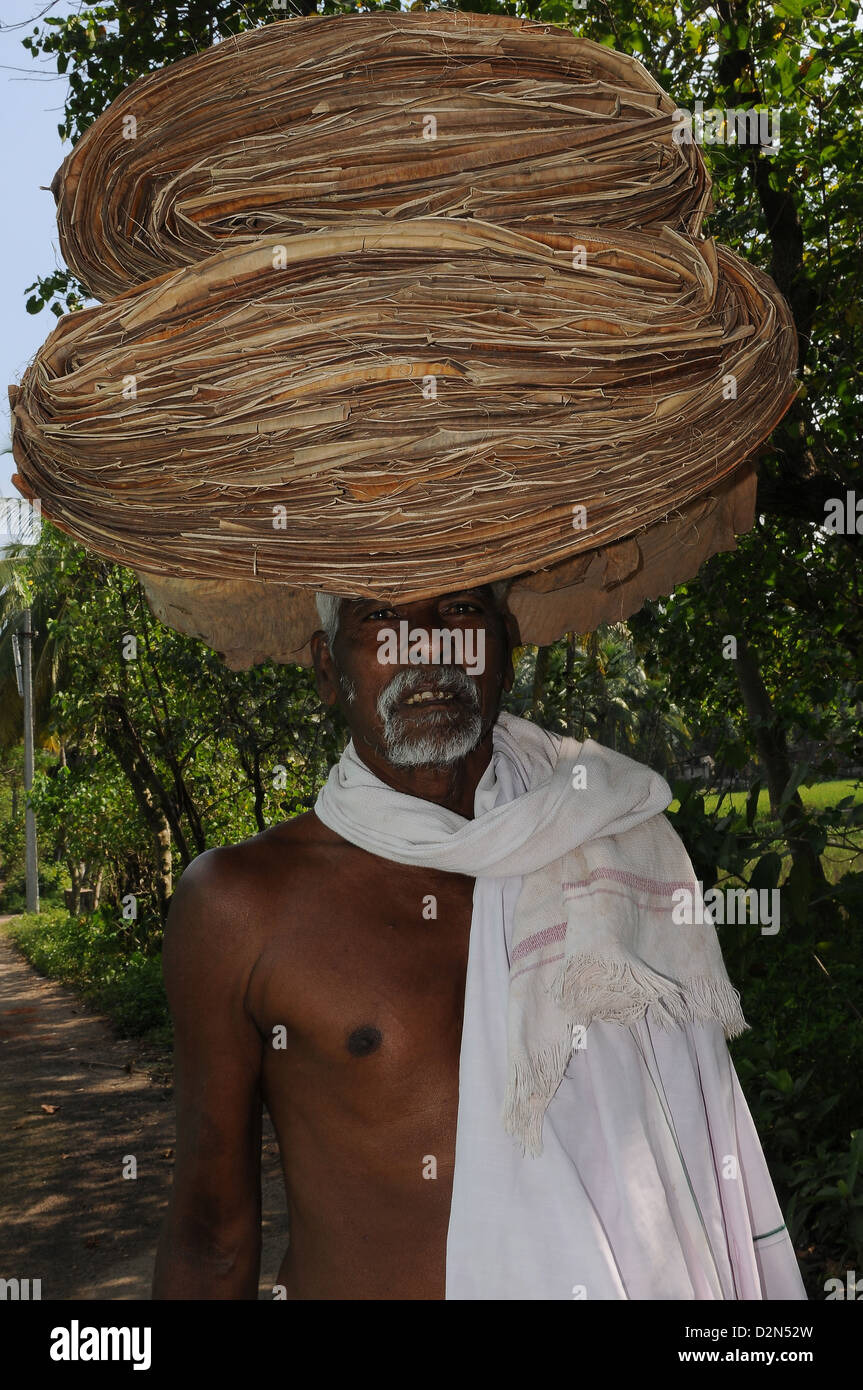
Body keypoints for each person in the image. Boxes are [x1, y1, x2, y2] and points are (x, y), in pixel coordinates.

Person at [152, 583, 806, 1301]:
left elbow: (691, 1154)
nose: (427, 644)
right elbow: (210, 1235)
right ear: (323, 664)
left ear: (506, 644)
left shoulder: (609, 841)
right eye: (378, 615)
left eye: (460, 609)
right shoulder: (239, 903)